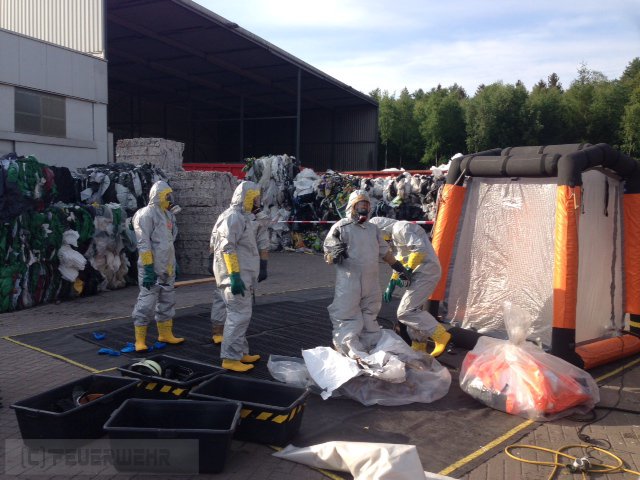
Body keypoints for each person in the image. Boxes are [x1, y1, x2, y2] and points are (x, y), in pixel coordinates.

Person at [323, 189, 412, 358]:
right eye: (360, 204)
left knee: (370, 315)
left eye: (366, 204)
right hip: (349, 281)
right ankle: (348, 350)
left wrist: (399, 268)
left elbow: (385, 252)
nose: (363, 208)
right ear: (352, 207)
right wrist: (333, 255)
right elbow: (328, 254)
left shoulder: (373, 229)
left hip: (371, 281)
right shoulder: (342, 227)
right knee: (347, 315)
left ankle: (370, 348)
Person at [369, 216, 451, 357]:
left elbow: (419, 249)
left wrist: (408, 269)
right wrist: (392, 283)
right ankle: (418, 346)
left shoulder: (401, 227)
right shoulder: (394, 238)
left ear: (380, 229)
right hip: (419, 273)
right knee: (413, 310)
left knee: (405, 312)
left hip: (426, 272)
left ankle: (440, 335)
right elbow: (400, 261)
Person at [209, 181, 269, 372]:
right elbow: (227, 248)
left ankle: (240, 352)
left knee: (241, 316)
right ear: (247, 197)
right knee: (237, 316)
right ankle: (230, 358)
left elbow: (252, 242)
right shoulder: (233, 217)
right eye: (255, 198)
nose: (257, 202)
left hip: (243, 275)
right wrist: (234, 275)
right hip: (235, 277)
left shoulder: (242, 217)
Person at [132, 180, 184, 352]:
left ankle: (165, 334)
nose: (170, 199)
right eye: (167, 195)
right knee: (146, 303)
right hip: (152, 268)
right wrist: (148, 268)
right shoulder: (145, 214)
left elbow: (168, 242)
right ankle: (140, 340)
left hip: (167, 266)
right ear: (158, 195)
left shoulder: (167, 215)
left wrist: (172, 263)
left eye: (170, 195)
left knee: (167, 300)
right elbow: (143, 244)